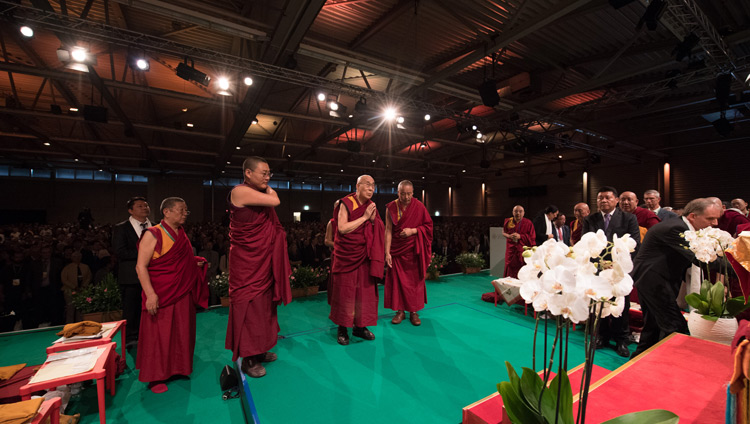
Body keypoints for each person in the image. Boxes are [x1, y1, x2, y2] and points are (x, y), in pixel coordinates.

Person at [226, 157, 291, 379]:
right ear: (247, 173)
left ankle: (260, 350)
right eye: (263, 173)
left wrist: (268, 190)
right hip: (247, 263)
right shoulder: (239, 191)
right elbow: (275, 201)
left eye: (269, 173)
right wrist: (270, 191)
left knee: (264, 308)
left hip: (263, 261)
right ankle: (248, 358)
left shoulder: (259, 194)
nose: (267, 177)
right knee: (248, 308)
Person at [631, 198, 722, 357]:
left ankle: (638, 362)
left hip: (656, 281)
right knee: (675, 327)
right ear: (693, 216)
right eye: (710, 218)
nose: (714, 223)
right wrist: (739, 267)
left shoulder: (679, 226)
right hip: (654, 282)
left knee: (652, 328)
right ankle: (667, 366)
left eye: (716, 218)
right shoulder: (676, 228)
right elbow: (700, 258)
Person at [135, 197, 208, 393]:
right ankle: (155, 377)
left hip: (182, 292)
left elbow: (179, 259)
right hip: (161, 293)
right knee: (159, 335)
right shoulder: (153, 233)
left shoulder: (181, 233)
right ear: (166, 212)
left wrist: (193, 263)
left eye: (186, 211)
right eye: (181, 210)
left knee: (182, 331)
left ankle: (178, 368)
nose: (185, 213)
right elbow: (141, 266)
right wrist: (150, 295)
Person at [583, 186, 640, 357]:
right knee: (598, 304)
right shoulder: (590, 219)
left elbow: (634, 243)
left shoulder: (629, 218)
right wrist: (599, 263)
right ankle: (601, 336)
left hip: (619, 270)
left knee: (620, 305)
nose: (603, 201)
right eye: (600, 198)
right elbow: (587, 244)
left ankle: (621, 339)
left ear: (616, 200)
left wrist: (615, 263)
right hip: (598, 269)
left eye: (608, 197)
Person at [330, 175, 384, 346]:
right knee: (345, 293)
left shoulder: (371, 206)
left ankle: (360, 327)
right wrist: (365, 218)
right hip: (347, 256)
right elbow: (343, 228)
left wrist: (374, 221)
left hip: (364, 257)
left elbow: (380, 229)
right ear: (357, 186)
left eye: (373, 186)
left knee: (364, 294)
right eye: (367, 185)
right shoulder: (345, 203)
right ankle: (343, 328)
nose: (371, 189)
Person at [384, 180, 433, 326]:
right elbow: (388, 230)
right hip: (397, 251)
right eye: (403, 194)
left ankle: (413, 311)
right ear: (398, 192)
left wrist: (413, 231)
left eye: (408, 194)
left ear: (413, 193)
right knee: (397, 282)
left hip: (413, 251)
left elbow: (428, 227)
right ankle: (400, 311)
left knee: (414, 283)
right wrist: (387, 252)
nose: (406, 197)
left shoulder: (419, 206)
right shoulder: (391, 207)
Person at [112, 196, 152, 347]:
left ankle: (148, 333)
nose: (145, 208)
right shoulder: (121, 227)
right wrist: (145, 253)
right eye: (140, 206)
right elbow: (119, 251)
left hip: (152, 275)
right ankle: (130, 337)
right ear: (131, 210)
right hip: (130, 276)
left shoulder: (155, 226)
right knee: (131, 308)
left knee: (150, 306)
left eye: (146, 205)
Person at [502, 205, 535, 278]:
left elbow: (532, 237)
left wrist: (521, 236)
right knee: (509, 266)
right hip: (511, 249)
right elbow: (503, 232)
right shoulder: (508, 221)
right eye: (516, 211)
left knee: (522, 267)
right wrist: (509, 236)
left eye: (520, 211)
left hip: (522, 250)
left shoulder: (528, 223)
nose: (518, 213)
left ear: (524, 213)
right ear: (512, 212)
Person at [61, 251, 91, 324]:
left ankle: (80, 324)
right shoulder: (67, 267)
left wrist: (84, 286)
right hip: (70, 291)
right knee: (70, 309)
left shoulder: (85, 267)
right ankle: (69, 325)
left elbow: (89, 277)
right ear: (71, 258)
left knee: (80, 309)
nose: (77, 258)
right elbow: (64, 279)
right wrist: (74, 287)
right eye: (75, 257)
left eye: (79, 257)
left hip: (82, 290)